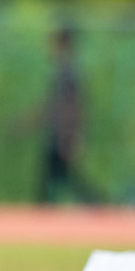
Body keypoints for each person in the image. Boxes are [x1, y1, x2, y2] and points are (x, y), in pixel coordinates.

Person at [39, 26, 88, 204]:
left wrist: (70, 138)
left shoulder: (69, 74)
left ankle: (98, 205)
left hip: (62, 138)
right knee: (60, 180)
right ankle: (97, 205)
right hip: (58, 136)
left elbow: (74, 108)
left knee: (65, 181)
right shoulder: (63, 72)